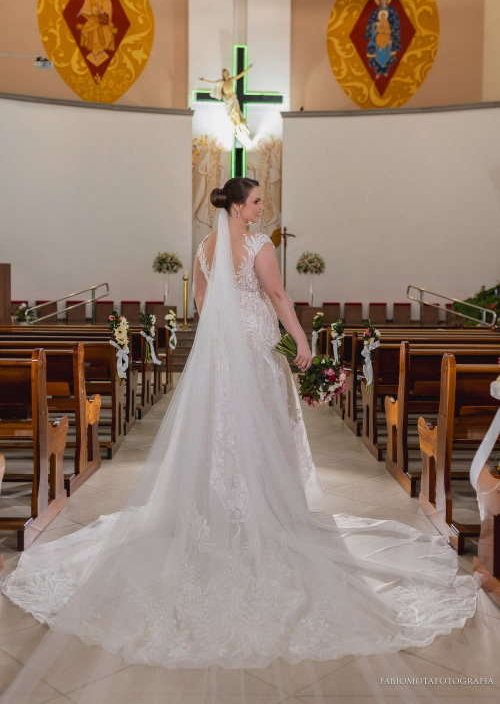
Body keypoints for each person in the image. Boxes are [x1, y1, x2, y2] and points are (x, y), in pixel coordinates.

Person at [1, 178, 478, 702]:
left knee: (218, 426)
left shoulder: (205, 247)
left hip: (222, 350)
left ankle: (216, 510)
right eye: (255, 202)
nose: (261, 208)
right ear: (236, 205)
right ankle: (263, 508)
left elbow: (202, 300)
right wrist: (299, 339)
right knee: (262, 426)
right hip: (254, 346)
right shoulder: (258, 245)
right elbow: (276, 295)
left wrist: (222, 335)